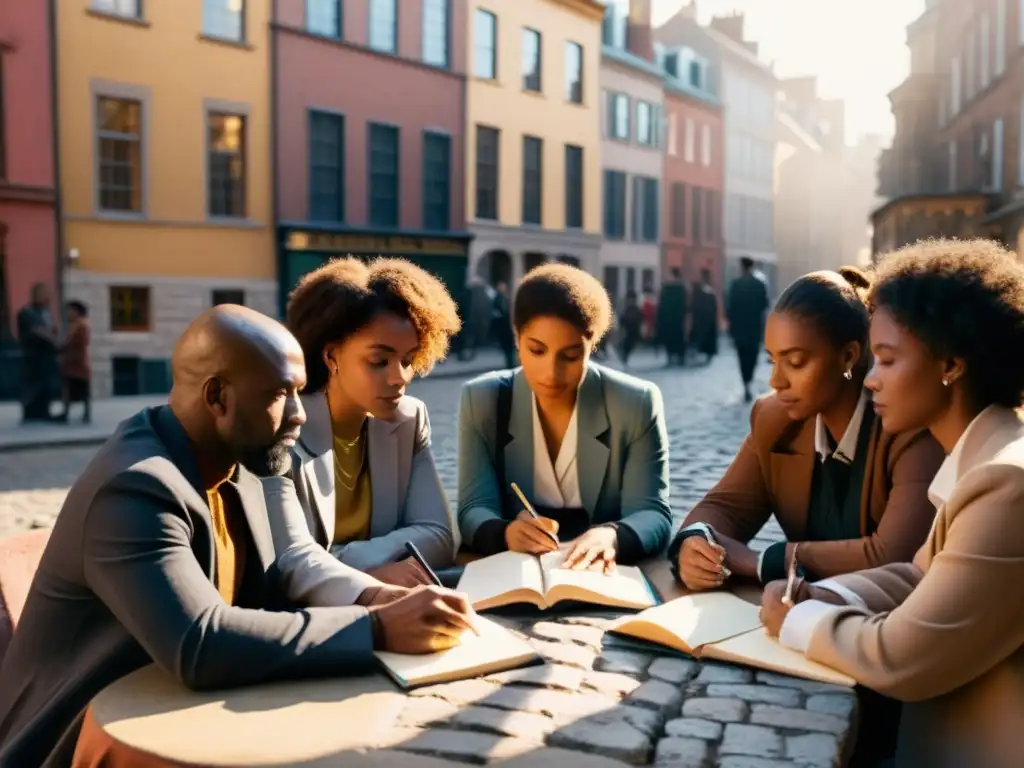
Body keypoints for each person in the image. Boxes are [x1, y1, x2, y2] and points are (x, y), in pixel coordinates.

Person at [0, 305, 475, 767]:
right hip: (78, 742)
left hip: (183, 713)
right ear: (217, 397)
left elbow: (276, 587)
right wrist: (378, 626)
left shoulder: (241, 461)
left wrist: (377, 598)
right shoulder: (136, 484)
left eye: (300, 392)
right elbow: (200, 642)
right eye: (279, 394)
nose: (300, 415)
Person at [761, 239, 1024, 768]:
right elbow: (923, 576)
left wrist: (799, 620)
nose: (871, 379)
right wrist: (824, 592)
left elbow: (902, 655)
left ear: (950, 364)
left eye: (885, 359)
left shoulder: (1006, 484)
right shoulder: (984, 457)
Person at [670, 268, 943, 592]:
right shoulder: (774, 418)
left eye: (796, 362)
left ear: (848, 356)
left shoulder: (908, 426)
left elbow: (891, 556)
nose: (776, 381)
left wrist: (762, 561)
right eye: (772, 361)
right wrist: (695, 541)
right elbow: (724, 507)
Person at [458, 263, 672, 570]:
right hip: (515, 573)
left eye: (570, 356)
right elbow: (473, 507)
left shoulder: (635, 402)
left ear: (592, 346)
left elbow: (653, 513)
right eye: (536, 350)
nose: (552, 373)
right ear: (517, 339)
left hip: (603, 575)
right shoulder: (483, 399)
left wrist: (611, 535)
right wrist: (505, 532)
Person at [279, 257, 461, 585]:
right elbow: (287, 561)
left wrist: (346, 560)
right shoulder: (284, 429)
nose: (400, 377)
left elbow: (438, 536)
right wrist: (368, 572)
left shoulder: (409, 418)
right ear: (331, 356)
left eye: (408, 360)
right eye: (379, 361)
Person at [728, 257, 770, 401]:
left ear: (742, 267)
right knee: (752, 356)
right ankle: (749, 380)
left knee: (742, 356)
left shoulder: (736, 284)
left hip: (740, 327)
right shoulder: (760, 284)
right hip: (754, 327)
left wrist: (731, 326)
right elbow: (765, 305)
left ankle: (745, 382)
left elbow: (730, 307)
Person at [16, 282, 59, 422]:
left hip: (46, 356)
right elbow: (37, 331)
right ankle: (30, 412)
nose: (48, 298)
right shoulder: (26, 312)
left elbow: (49, 330)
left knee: (47, 384)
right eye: (45, 294)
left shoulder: (46, 313)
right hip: (33, 356)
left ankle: (44, 411)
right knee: (32, 385)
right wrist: (55, 340)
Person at [58, 300, 91, 423]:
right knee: (73, 389)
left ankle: (80, 414)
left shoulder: (80, 325)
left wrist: (63, 345)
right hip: (75, 362)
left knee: (75, 389)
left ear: (77, 312)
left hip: (77, 362)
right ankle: (74, 413)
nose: (67, 313)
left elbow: (76, 342)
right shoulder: (75, 324)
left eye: (70, 310)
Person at [656, 268, 687, 366]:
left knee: (670, 338)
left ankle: (671, 356)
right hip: (678, 318)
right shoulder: (681, 288)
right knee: (678, 337)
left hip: (669, 318)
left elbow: (662, 304)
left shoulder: (667, 288)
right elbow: (684, 304)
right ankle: (680, 357)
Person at [689, 268, 719, 364]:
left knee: (706, 336)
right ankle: (701, 350)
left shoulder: (706, 289)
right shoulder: (702, 288)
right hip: (704, 316)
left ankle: (704, 352)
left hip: (705, 317)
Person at [618, 290, 643, 366]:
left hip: (632, 329)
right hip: (628, 329)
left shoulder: (634, 308)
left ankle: (624, 355)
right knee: (627, 343)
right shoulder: (629, 308)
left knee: (629, 343)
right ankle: (624, 355)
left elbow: (640, 318)